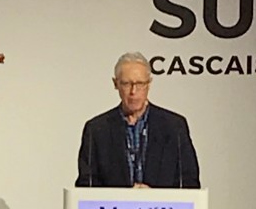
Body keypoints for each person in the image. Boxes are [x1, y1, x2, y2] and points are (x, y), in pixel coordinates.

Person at [75, 52, 200, 188]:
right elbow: (86, 186)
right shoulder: (97, 130)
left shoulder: (174, 127)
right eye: (126, 84)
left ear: (149, 84)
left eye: (140, 84)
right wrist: (124, 196)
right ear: (116, 84)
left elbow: (189, 183)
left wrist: (154, 196)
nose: (133, 91)